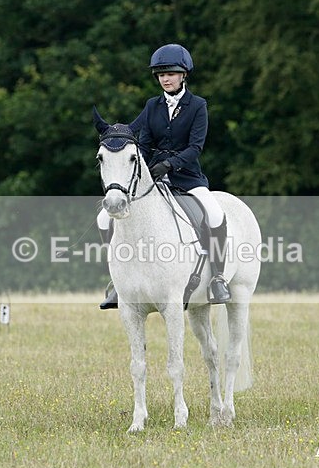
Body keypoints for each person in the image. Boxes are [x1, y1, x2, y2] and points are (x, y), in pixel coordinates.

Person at [98, 43, 230, 309]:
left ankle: (217, 277)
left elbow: (195, 148)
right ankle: (117, 282)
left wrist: (169, 164)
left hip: (187, 178)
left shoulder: (198, 106)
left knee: (215, 214)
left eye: (170, 73)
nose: (165, 79)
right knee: (103, 218)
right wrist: (142, 167)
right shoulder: (152, 105)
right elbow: (145, 143)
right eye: (161, 74)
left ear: (183, 75)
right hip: (152, 178)